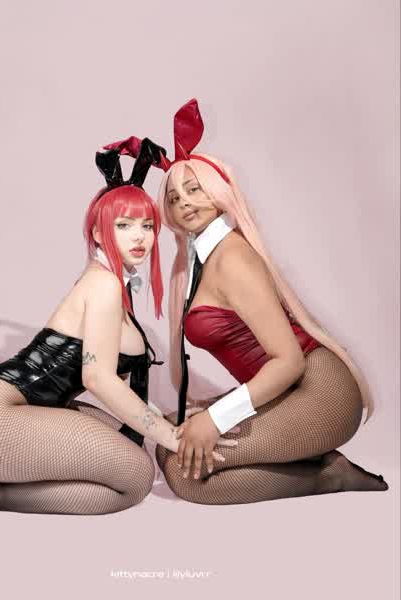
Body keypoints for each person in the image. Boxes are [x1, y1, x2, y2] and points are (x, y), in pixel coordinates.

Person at [0, 137, 235, 515]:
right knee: (137, 476)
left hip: (9, 407)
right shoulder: (103, 285)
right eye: (124, 225)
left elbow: (119, 394)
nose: (139, 236)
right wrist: (172, 437)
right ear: (97, 232)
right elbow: (99, 379)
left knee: (130, 449)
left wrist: (177, 423)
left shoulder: (111, 284)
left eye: (147, 225)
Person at [153, 99, 388, 504]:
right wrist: (213, 411)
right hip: (284, 393)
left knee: (183, 473)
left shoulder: (232, 258)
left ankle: (328, 475)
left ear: (218, 192)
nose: (184, 202)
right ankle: (306, 458)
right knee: (167, 439)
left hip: (320, 393)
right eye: (173, 198)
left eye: (194, 189)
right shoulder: (200, 260)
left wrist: (216, 418)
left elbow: (290, 361)